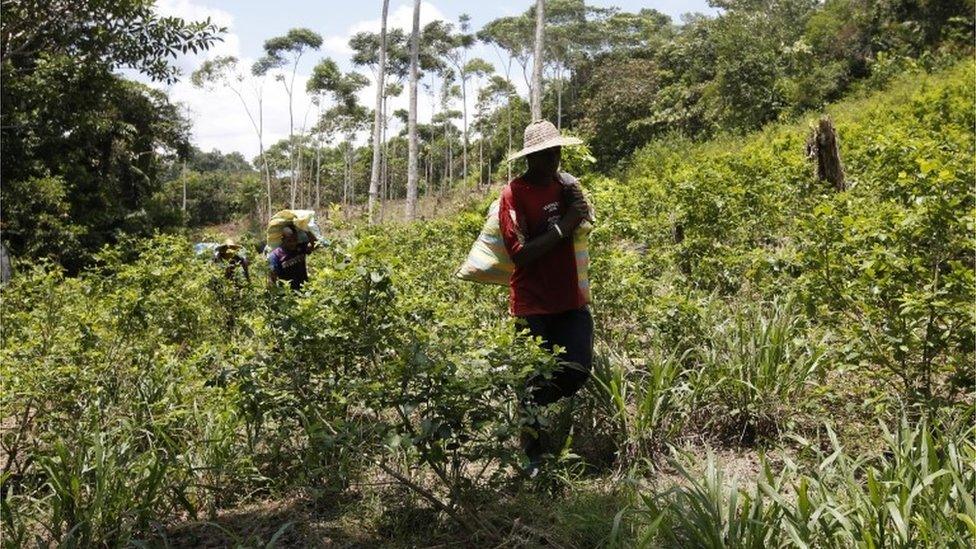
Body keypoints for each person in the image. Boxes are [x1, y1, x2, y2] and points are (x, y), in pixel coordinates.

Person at [498, 119, 594, 474]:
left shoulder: (567, 187)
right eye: (545, 153)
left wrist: (577, 213)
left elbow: (585, 223)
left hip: (570, 297)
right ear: (531, 157)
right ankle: (533, 459)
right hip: (532, 303)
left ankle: (530, 406)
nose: (554, 158)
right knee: (533, 376)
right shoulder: (514, 193)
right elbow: (519, 253)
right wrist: (563, 225)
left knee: (578, 369)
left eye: (556, 151)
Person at [268, 225, 316, 290]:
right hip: (288, 295)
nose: (293, 243)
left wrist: (306, 229)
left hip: (304, 290)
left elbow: (315, 244)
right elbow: (272, 278)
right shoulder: (275, 255)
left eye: (295, 240)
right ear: (283, 239)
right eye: (289, 240)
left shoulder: (300, 247)